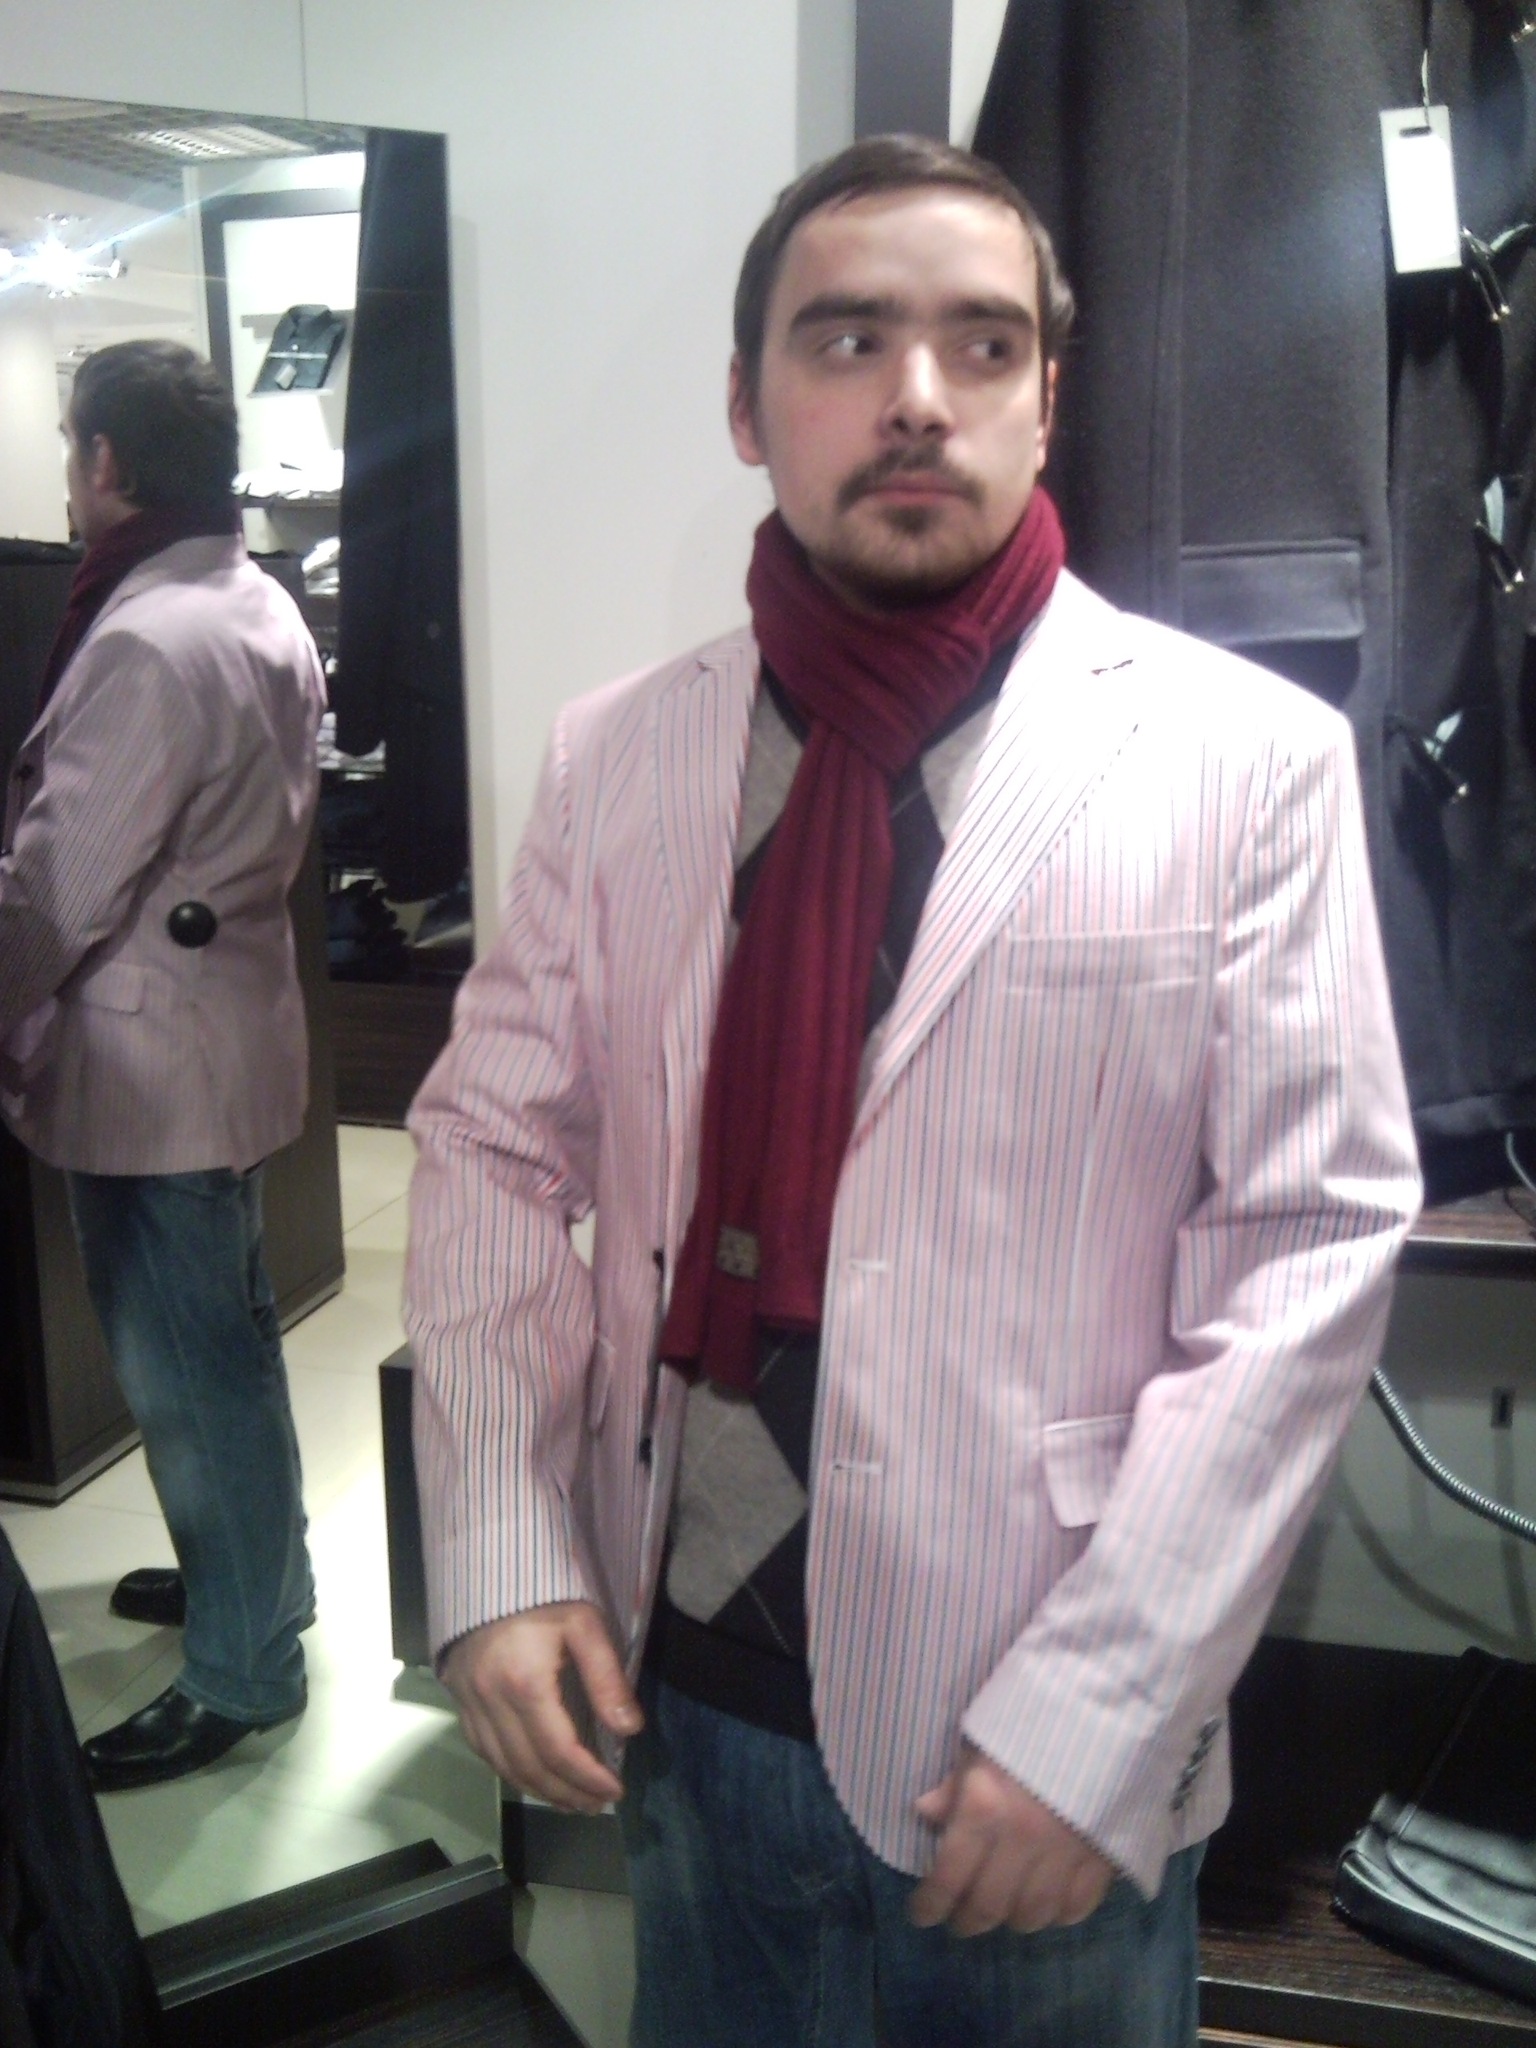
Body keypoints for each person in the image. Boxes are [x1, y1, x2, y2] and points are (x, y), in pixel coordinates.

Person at [404, 137, 1421, 2047]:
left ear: (1049, 398)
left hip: (1027, 1723)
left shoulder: (1242, 760)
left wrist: (1102, 1712)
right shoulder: (622, 755)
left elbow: (1306, 1246)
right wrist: (499, 1544)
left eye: (983, 344)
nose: (918, 397)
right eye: (849, 339)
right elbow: (484, 1141)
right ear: (747, 403)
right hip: (681, 1693)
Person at [0, 339, 323, 1790]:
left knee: (191, 1376)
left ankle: (244, 1668)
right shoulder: (251, 597)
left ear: (107, 461)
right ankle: (256, 1587)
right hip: (221, 1033)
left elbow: (59, 892)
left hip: (151, 1059)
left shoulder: (144, 635)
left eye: (72, 451)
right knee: (225, 1351)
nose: (69, 482)